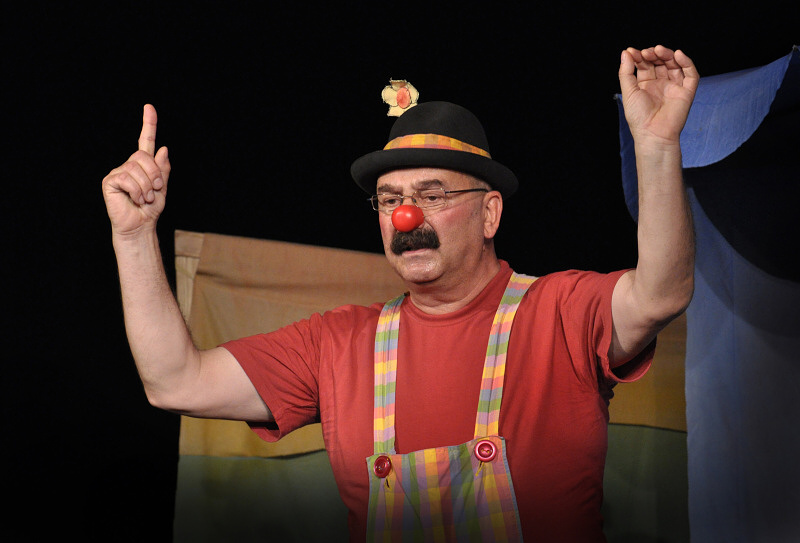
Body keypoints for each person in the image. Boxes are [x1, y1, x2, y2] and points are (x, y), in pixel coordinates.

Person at [102, 45, 698, 542]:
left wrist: (656, 148)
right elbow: (174, 382)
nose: (406, 217)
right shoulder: (336, 344)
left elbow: (661, 294)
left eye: (433, 194)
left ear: (490, 214)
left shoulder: (561, 312)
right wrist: (133, 237)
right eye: (390, 200)